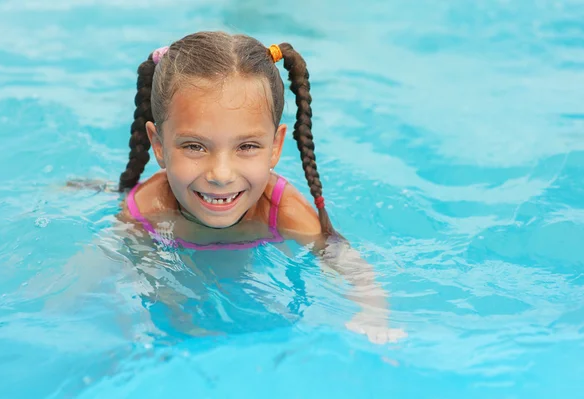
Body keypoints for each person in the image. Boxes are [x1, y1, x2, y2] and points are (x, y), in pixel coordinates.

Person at [79, 31, 404, 344]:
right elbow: (103, 273)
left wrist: (372, 315)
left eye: (247, 146)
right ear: (159, 146)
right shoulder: (148, 208)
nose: (221, 174)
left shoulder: (280, 209)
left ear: (276, 146)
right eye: (194, 146)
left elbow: (351, 266)